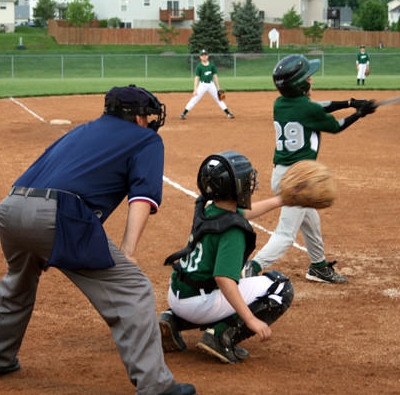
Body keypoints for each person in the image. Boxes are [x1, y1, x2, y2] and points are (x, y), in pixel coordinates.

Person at [0, 84, 196, 395]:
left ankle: (1, 355)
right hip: (59, 214)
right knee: (133, 288)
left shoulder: (83, 130)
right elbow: (142, 197)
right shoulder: (146, 139)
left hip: (11, 208)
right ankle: (156, 386)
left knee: (18, 283)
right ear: (138, 117)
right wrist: (129, 250)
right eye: (147, 114)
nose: (149, 120)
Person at [242, 54, 377, 284]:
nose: (312, 80)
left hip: (282, 173)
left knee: (311, 220)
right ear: (300, 85)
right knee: (285, 234)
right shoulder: (307, 109)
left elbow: (318, 107)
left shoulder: (281, 103)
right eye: (308, 77)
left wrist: (350, 103)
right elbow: (335, 126)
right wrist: (358, 114)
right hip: (299, 179)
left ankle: (318, 266)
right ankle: (252, 267)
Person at [159, 151, 294, 364]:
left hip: (177, 297)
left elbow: (244, 213)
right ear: (237, 187)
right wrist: (250, 320)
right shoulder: (233, 231)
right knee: (279, 286)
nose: (250, 183)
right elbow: (223, 278)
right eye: (246, 180)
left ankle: (172, 320)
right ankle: (220, 336)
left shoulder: (209, 209)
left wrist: (281, 200)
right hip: (199, 304)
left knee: (213, 283)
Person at [180, 49, 234, 120]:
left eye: (205, 55)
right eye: (202, 55)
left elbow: (215, 77)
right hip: (202, 85)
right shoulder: (199, 67)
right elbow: (196, 78)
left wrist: (218, 88)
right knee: (195, 98)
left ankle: (228, 113)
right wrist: (195, 89)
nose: (204, 56)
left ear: (207, 56)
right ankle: (184, 113)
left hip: (211, 84)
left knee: (219, 98)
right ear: (200, 57)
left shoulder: (212, 65)